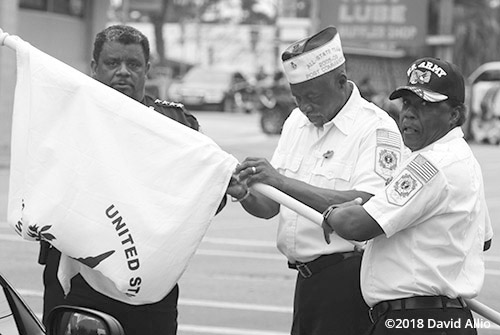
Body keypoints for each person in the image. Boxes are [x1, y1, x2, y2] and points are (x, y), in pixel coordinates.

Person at [39, 24, 223, 335]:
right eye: (113, 63)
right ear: (95, 67)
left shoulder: (176, 126)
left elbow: (212, 200)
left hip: (149, 285)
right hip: (79, 278)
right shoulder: (67, 117)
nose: (123, 72)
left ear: (147, 69)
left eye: (134, 64)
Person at [227, 26, 405, 335]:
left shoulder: (376, 129)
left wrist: (281, 182)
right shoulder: (297, 122)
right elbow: (271, 206)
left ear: (340, 82)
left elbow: (370, 206)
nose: (305, 108)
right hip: (307, 280)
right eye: (297, 98)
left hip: (350, 278)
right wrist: (245, 194)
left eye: (312, 97)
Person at [322, 57, 493, 334]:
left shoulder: (432, 164)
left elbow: (356, 225)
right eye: (407, 103)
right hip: (437, 318)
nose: (409, 114)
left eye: (425, 105)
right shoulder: (461, 158)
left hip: (416, 321)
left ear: (454, 115)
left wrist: (334, 214)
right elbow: (482, 240)